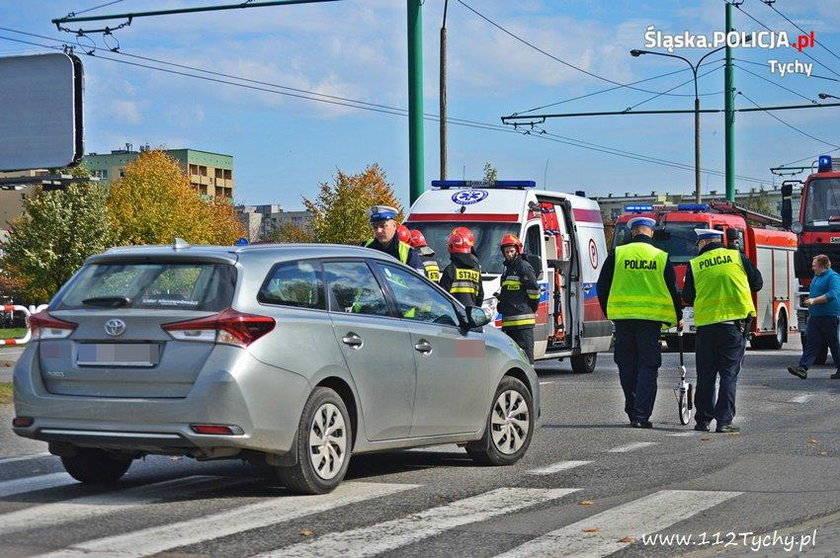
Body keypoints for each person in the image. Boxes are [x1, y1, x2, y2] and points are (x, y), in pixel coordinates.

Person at [596, 216, 682, 429]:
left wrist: (609, 310)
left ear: (633, 232)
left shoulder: (617, 254)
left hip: (623, 320)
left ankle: (632, 409)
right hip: (650, 322)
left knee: (626, 365)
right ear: (650, 232)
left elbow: (602, 285)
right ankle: (641, 415)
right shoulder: (660, 256)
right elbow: (672, 289)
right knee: (648, 366)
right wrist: (678, 315)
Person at [682, 228, 763, 433]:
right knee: (728, 375)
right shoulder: (737, 257)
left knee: (706, 375)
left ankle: (702, 421)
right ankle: (724, 421)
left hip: (707, 328)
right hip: (733, 327)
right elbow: (758, 283)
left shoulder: (696, 264)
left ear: (702, 243)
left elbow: (689, 296)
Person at [787, 254, 840, 380]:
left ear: (822, 265)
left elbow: (833, 294)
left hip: (829, 316)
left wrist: (814, 301)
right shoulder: (817, 277)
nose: (812, 267)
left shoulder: (833, 277)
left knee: (833, 344)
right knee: (812, 343)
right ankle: (803, 368)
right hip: (815, 316)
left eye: (814, 265)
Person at [496, 233, 540, 364]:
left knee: (526, 357)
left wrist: (530, 308)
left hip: (523, 324)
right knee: (513, 358)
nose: (509, 254)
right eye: (506, 251)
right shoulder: (508, 269)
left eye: (511, 251)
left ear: (517, 250)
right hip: (509, 323)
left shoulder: (523, 266)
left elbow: (534, 291)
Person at [363, 205, 424, 273]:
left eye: (382, 226)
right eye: (375, 227)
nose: (378, 231)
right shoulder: (366, 248)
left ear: (394, 226)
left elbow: (418, 282)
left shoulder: (409, 253)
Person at [439, 231, 484, 307]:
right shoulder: (476, 271)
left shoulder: (451, 269)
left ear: (451, 247)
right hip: (470, 315)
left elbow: (441, 296)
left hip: (453, 314)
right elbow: (480, 296)